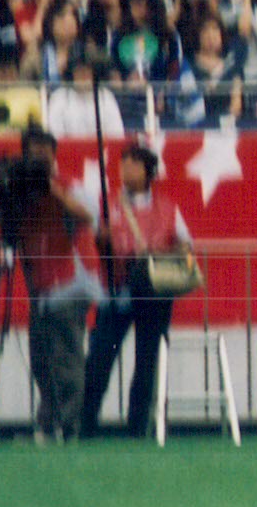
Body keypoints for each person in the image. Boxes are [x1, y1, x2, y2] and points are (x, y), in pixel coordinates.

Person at [0, 128, 102, 442]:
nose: (40, 158)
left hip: (72, 283)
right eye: (34, 153)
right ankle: (48, 425)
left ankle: (67, 426)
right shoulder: (23, 192)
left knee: (66, 357)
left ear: (55, 155)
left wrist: (54, 190)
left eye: (46, 152)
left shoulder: (70, 185)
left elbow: (90, 215)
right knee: (42, 360)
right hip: (41, 286)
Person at [81, 144, 192, 438]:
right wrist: (100, 238)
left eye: (132, 165)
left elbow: (185, 243)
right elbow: (89, 241)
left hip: (155, 290)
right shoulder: (107, 204)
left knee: (147, 361)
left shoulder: (167, 207)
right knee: (100, 357)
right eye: (123, 164)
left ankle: (138, 426)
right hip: (117, 290)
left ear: (148, 172)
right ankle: (86, 421)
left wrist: (161, 253)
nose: (124, 170)